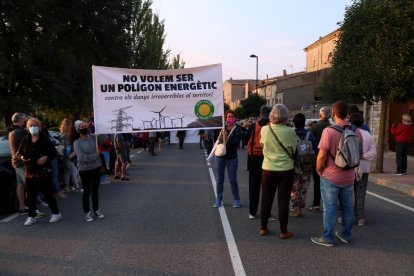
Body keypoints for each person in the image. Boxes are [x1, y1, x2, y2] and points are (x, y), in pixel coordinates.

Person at [311, 100, 362, 247]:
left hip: (330, 176)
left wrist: (319, 169)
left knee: (330, 208)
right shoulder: (355, 130)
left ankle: (327, 237)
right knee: (347, 206)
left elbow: (321, 155)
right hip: (348, 176)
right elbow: (359, 153)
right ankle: (346, 234)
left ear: (333, 113)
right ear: (347, 114)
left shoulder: (329, 131)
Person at [259, 104, 296, 239]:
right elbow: (293, 148)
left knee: (266, 198)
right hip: (286, 169)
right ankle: (283, 231)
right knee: (283, 200)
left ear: (271, 115)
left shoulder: (264, 129)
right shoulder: (290, 131)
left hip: (268, 167)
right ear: (286, 116)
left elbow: (262, 144)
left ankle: (263, 227)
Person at [18, 117, 62, 226]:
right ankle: (31, 216)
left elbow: (53, 153)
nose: (33, 127)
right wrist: (22, 157)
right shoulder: (25, 140)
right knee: (31, 195)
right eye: (31, 126)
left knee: (47, 194)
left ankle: (56, 213)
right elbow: (19, 153)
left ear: (39, 127)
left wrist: (46, 157)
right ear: (27, 128)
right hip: (30, 171)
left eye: (35, 125)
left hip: (43, 171)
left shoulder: (45, 139)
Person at [213, 110, 246, 208]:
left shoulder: (238, 129)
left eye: (231, 116)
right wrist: (220, 135)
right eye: (227, 117)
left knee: (232, 179)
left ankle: (236, 199)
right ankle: (219, 199)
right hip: (220, 157)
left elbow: (236, 142)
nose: (229, 118)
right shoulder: (222, 128)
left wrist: (227, 136)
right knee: (219, 179)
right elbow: (217, 142)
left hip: (232, 158)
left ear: (235, 118)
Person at [73, 120, 104, 222]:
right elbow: (82, 157)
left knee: (95, 191)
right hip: (84, 170)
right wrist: (95, 155)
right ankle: (87, 212)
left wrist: (101, 131)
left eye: (86, 125)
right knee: (86, 191)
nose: (85, 128)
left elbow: (104, 140)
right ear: (78, 129)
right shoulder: (76, 143)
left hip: (96, 168)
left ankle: (96, 210)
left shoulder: (94, 138)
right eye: (82, 127)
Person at [349, 112, 376, 226]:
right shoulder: (368, 135)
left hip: (349, 168)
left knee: (347, 194)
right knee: (361, 193)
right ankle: (360, 217)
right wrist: (363, 156)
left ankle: (349, 217)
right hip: (364, 167)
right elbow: (373, 152)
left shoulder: (349, 133)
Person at [245, 105, 271, 219]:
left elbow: (245, 140)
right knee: (267, 189)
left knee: (254, 188)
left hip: (253, 160)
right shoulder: (272, 126)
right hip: (268, 160)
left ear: (260, 114)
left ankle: (252, 212)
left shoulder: (252, 126)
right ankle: (267, 213)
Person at [289, 113, 317, 217]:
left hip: (294, 164)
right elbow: (316, 150)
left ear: (294, 123)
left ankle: (294, 209)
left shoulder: (291, 134)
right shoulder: (310, 135)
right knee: (304, 187)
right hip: (307, 164)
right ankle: (301, 208)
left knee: (294, 187)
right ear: (304, 122)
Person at [308, 106, 331, 212]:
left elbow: (308, 142)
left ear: (320, 115)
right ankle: (330, 203)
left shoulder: (314, 127)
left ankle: (316, 203)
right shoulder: (332, 127)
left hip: (317, 157)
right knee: (330, 183)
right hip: (331, 159)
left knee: (317, 182)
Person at [8, 112, 28, 214]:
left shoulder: (12, 131)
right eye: (24, 119)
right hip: (22, 162)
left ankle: (22, 207)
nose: (25, 120)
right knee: (29, 185)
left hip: (15, 162)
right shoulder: (21, 132)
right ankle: (31, 208)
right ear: (20, 120)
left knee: (20, 185)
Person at [59, 119, 79, 191]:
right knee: (74, 170)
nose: (71, 125)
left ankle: (67, 186)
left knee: (67, 171)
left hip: (64, 155)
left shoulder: (62, 134)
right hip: (69, 154)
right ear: (67, 125)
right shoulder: (68, 135)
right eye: (70, 123)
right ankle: (76, 186)